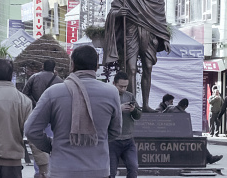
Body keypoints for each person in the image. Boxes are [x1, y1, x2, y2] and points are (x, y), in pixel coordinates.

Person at [25, 45, 122, 178]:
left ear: (72, 65)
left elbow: (31, 129)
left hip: (62, 170)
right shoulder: (111, 93)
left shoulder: (54, 93)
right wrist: (97, 139)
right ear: (96, 67)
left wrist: (52, 146)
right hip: (98, 170)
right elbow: (116, 130)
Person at [103, 0, 171, 112]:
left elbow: (160, 14)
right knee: (131, 68)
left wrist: (165, 37)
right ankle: (133, 104)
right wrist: (119, 13)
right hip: (131, 30)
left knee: (148, 66)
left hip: (150, 31)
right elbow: (113, 10)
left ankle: (146, 104)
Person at [23, 58, 63, 177]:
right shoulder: (60, 81)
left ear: (42, 66)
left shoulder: (34, 77)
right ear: (54, 68)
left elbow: (25, 94)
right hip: (53, 117)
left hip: (37, 115)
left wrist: (35, 104)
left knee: (38, 145)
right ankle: (51, 170)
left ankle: (39, 171)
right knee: (52, 144)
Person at [163, 98, 223, 164]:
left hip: (165, 134)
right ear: (185, 106)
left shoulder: (169, 108)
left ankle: (207, 158)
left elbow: (161, 116)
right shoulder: (184, 115)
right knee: (199, 143)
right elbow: (187, 131)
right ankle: (209, 158)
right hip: (177, 138)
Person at [109, 71, 141, 178]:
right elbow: (103, 114)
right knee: (110, 172)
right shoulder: (108, 96)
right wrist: (119, 108)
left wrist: (133, 110)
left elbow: (138, 115)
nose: (123, 89)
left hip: (128, 140)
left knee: (133, 168)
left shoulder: (130, 96)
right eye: (120, 86)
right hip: (112, 140)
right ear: (114, 84)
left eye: (125, 86)